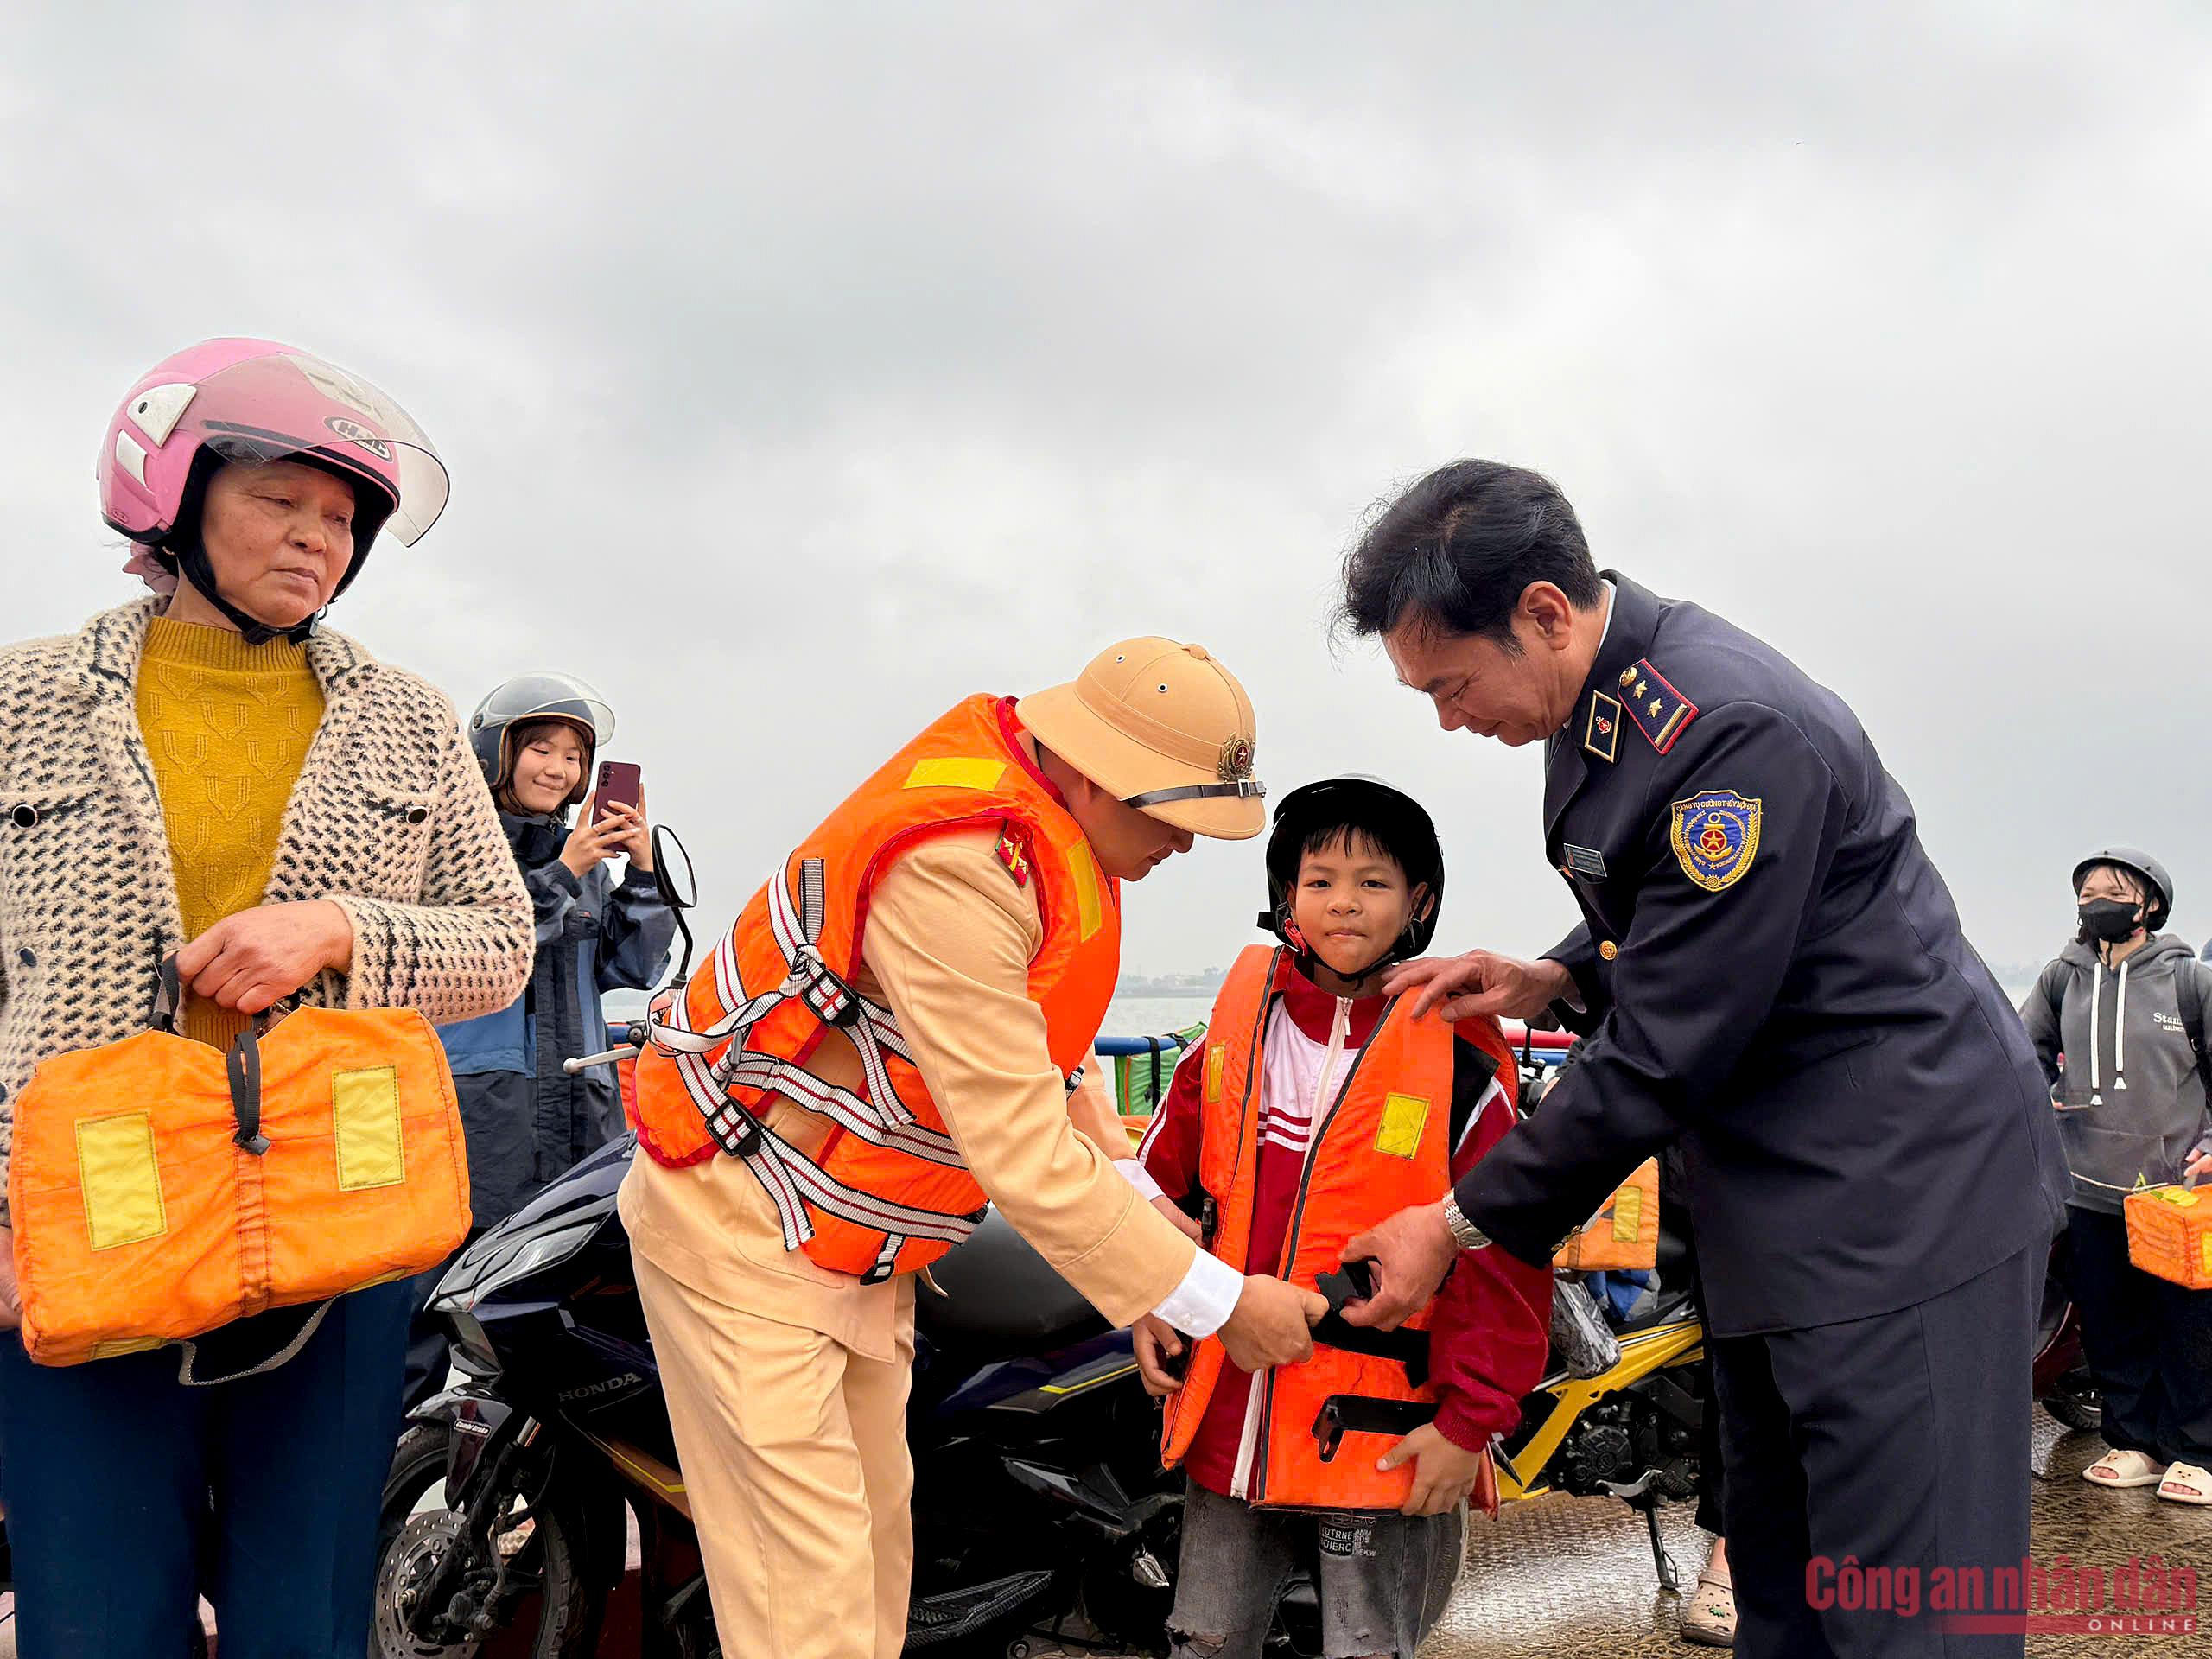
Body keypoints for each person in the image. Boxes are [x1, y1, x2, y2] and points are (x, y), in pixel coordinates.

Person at [1328, 459, 2068, 1659]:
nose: (1449, 719)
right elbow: (1668, 916)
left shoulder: (1728, 729)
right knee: (1782, 1583)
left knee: (1909, 1609)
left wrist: (1457, 1226)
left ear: (1543, 615)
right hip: (1778, 1203)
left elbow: (1667, 1049)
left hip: (1904, 1199)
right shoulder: (1599, 709)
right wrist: (1556, 975)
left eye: (1451, 685)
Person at [620, 638, 1329, 1659]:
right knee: (804, 1607)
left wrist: (1142, 1218)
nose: (1184, 845)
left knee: (870, 1572)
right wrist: (1214, 1302)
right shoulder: (958, 868)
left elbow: (1054, 1063)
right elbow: (1021, 1151)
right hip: (748, 1232)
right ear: (1095, 773)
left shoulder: (1054, 841)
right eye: (1173, 815)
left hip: (853, 1244)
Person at [0, 339, 533, 1657]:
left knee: (306, 1618)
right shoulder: (22, 702)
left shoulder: (409, 718)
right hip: (98, 1208)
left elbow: (501, 942)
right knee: (96, 1617)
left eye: (342, 520)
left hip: (335, 1208)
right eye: (279, 501)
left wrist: (339, 930)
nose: (317, 540)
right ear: (172, 504)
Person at [1122, 777, 1552, 1659]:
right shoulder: (1233, 1036)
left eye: (1373, 882)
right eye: (1319, 881)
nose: (1343, 903)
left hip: (1382, 1437)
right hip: (1231, 1422)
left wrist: (1468, 1423)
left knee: (1368, 1646)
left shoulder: (1463, 1063)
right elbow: (1159, 1194)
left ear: (1418, 902)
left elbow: (1506, 1253)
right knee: (1204, 1641)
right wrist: (1150, 1299)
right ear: (1287, 897)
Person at [401, 672, 677, 1407]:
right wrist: (567, 869)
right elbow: (489, 943)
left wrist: (639, 869)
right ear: (498, 751)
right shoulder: (450, 848)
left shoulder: (583, 862)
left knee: (555, 1318)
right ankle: (395, 1466)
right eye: (541, 749)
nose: (559, 769)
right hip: (478, 1119)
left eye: (574, 757)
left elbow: (634, 967)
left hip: (579, 1120)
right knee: (428, 1317)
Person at [2020, 847, 2212, 1506]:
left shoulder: (2190, 983)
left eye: (2114, 890)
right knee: (2109, 1323)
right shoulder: (2062, 979)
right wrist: (2036, 1103)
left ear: (2150, 904)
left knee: (2188, 1327)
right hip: (2090, 1188)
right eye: (2088, 892)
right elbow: (2023, 1055)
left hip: (2176, 1192)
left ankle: (2197, 1451)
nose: (2097, 901)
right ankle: (2134, 1443)